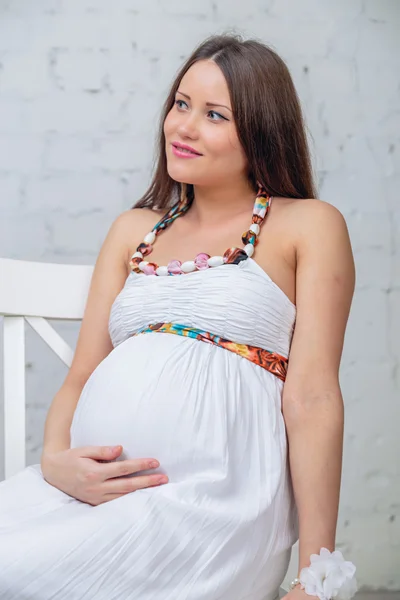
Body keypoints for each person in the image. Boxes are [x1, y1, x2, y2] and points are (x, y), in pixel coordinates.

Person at [0, 34, 356, 600]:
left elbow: (312, 398)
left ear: (261, 132)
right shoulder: (132, 230)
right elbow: (81, 375)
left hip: (213, 507)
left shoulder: (308, 225)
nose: (183, 126)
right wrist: (54, 463)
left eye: (214, 115)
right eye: (181, 103)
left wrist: (314, 575)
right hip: (83, 495)